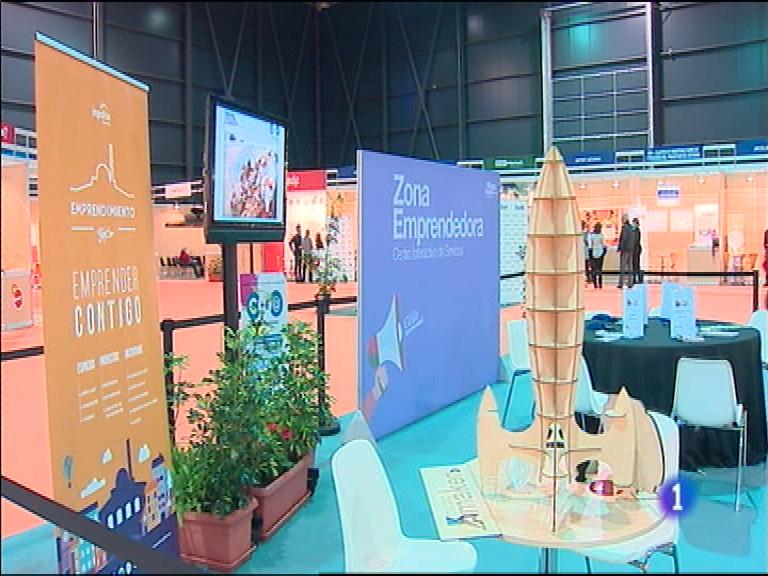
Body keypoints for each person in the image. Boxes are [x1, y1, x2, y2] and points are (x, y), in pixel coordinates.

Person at [617, 214, 636, 289]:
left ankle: (621, 283)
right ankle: (630, 282)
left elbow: (623, 239)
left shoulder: (625, 228)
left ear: (624, 220)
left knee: (623, 267)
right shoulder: (631, 228)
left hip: (625, 250)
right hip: (631, 249)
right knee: (630, 267)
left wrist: (620, 248)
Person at [589, 222, 606, 289]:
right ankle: (600, 284)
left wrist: (590, 252)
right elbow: (603, 244)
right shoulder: (601, 235)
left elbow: (590, 245)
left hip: (593, 253)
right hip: (600, 253)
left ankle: (595, 285)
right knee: (600, 269)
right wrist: (604, 251)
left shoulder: (592, 236)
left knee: (593, 269)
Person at [631, 218, 643, 285]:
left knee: (636, 264)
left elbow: (636, 241)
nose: (633, 224)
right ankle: (635, 278)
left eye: (633, 223)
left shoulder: (637, 231)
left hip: (636, 249)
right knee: (634, 264)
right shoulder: (634, 230)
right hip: (634, 249)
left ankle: (638, 278)